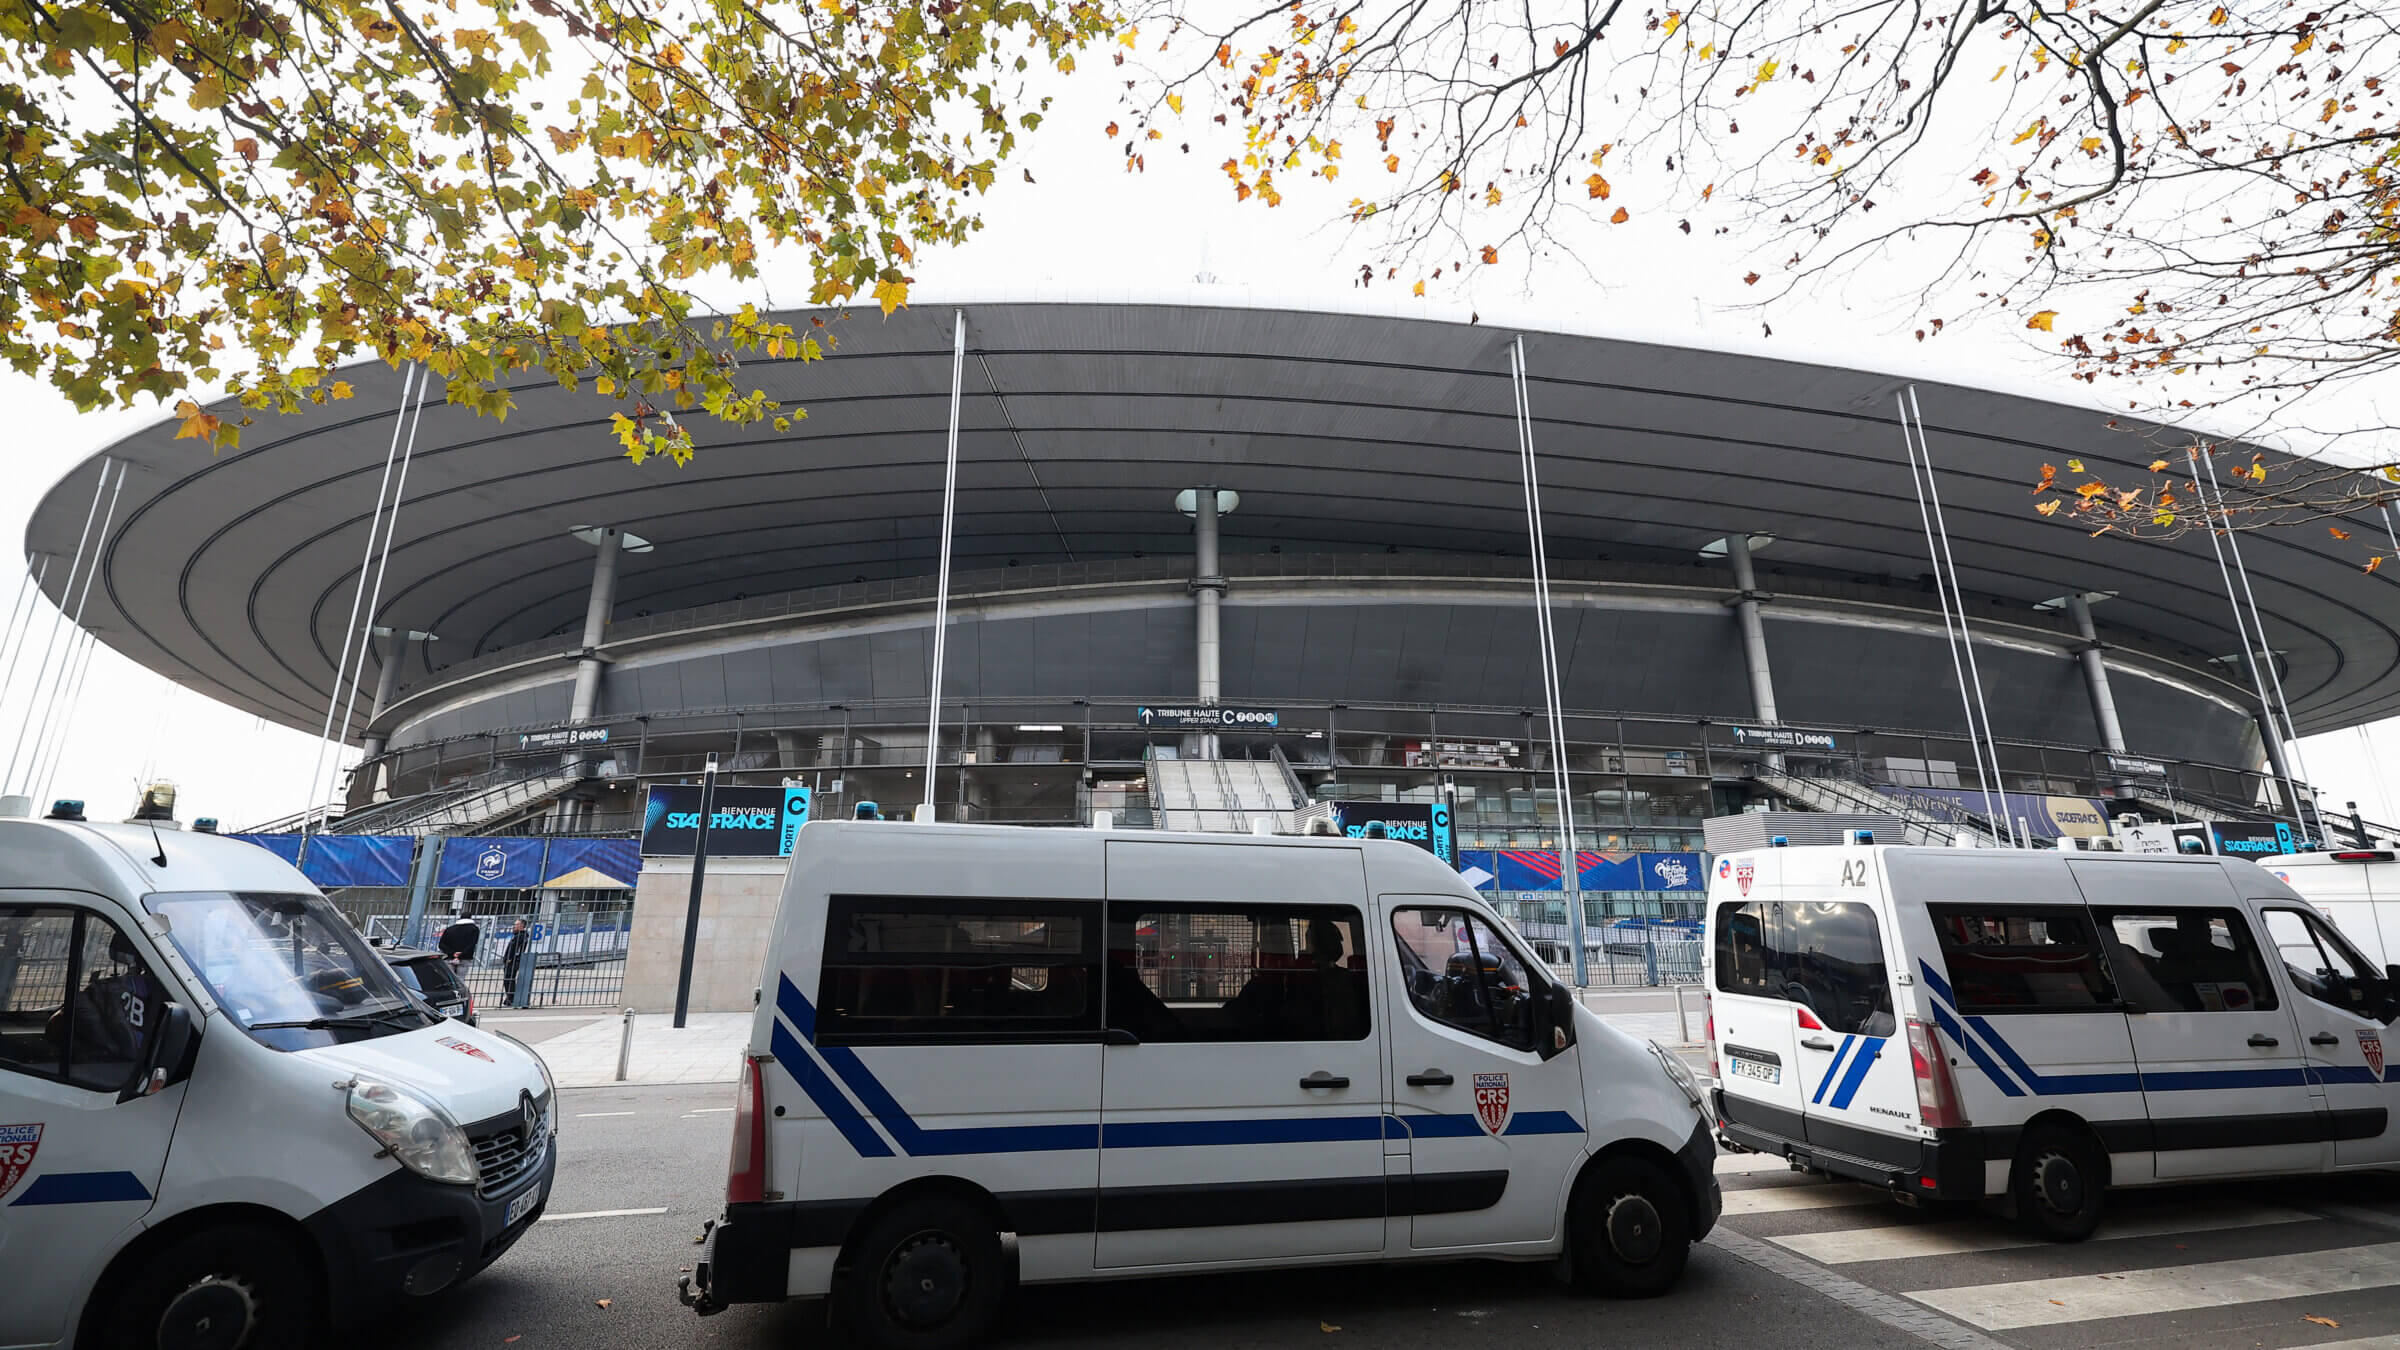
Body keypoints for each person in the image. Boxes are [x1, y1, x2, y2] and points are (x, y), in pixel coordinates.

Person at [502, 919, 531, 1008]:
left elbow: (515, 950)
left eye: (516, 925)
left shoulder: (520, 936)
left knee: (509, 978)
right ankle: (510, 998)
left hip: (513, 961)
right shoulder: (518, 935)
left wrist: (509, 959)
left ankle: (512, 998)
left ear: (522, 926)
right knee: (509, 979)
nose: (514, 926)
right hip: (512, 960)